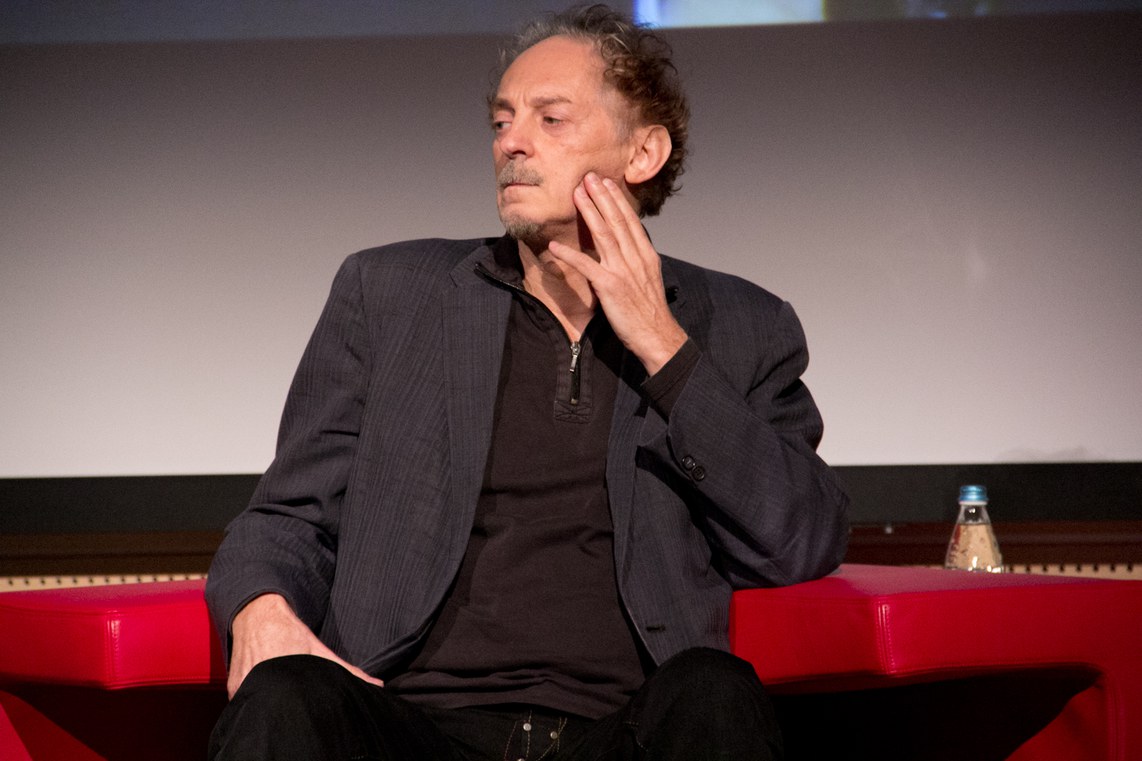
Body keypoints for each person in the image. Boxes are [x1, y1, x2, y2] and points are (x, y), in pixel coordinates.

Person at [205, 4, 849, 759]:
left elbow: (803, 540)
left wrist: (665, 349)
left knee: (714, 692)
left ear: (643, 152)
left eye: (551, 119)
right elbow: (286, 515)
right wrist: (261, 610)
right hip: (413, 725)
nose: (511, 141)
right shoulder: (389, 294)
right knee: (286, 696)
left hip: (621, 732)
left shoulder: (744, 325)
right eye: (502, 120)